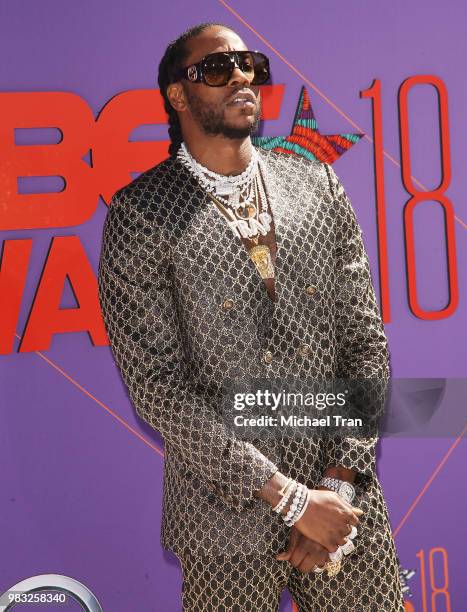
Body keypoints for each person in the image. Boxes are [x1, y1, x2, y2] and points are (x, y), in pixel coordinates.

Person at [97, 22, 404, 612]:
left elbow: (365, 345)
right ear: (178, 96)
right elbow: (160, 391)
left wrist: (336, 484)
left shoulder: (315, 184)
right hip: (224, 522)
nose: (240, 76)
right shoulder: (141, 215)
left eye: (249, 64)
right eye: (215, 68)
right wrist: (293, 502)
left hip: (341, 506)